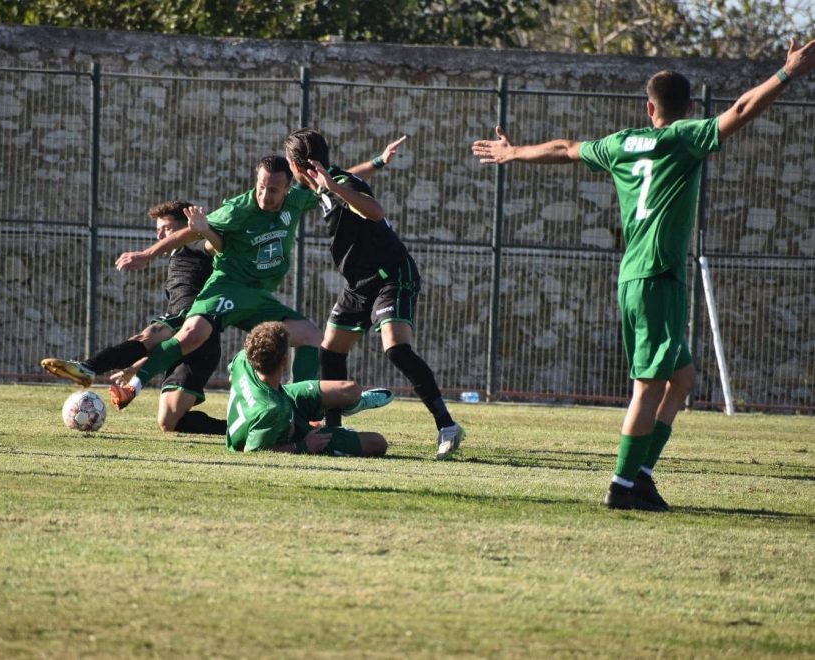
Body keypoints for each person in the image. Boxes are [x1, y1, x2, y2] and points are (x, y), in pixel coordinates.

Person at [472, 38, 815, 511]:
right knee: (649, 386)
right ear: (689, 107)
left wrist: (514, 153)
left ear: (648, 107)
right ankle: (621, 485)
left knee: (683, 376)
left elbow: (566, 147)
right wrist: (787, 73)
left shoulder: (620, 144)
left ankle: (643, 476)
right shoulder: (685, 138)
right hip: (658, 275)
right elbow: (740, 109)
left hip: (636, 275)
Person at [109, 154, 379, 410]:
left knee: (311, 336)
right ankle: (134, 386)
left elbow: (335, 181)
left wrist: (377, 162)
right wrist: (147, 254)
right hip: (227, 286)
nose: (264, 195)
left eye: (273, 190)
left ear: (287, 188)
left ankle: (300, 409)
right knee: (193, 334)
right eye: (261, 187)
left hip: (257, 297)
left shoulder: (297, 200)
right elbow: (190, 233)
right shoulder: (237, 210)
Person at [284, 129, 465, 460]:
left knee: (396, 349)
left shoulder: (338, 184)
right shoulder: (321, 183)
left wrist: (335, 187)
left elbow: (375, 210)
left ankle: (447, 425)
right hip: (358, 284)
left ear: (297, 165)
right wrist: (379, 161)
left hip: (391, 275)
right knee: (330, 352)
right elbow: (357, 173)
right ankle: (333, 431)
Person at [41, 201, 228, 434]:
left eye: (166, 229)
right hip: (193, 348)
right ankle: (242, 428)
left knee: (150, 334)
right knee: (170, 423)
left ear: (184, 228)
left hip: (193, 322)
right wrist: (135, 369)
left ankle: (89, 367)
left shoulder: (196, 245)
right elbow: (167, 349)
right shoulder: (177, 257)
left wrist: (204, 228)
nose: (159, 234)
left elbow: (219, 246)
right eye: (158, 229)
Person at [226, 321, 390, 456]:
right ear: (284, 361)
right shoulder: (271, 410)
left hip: (283, 396)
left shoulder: (243, 358)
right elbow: (253, 451)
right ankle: (333, 430)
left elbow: (232, 377)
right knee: (377, 443)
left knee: (351, 390)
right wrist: (302, 446)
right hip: (288, 430)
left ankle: (351, 405)